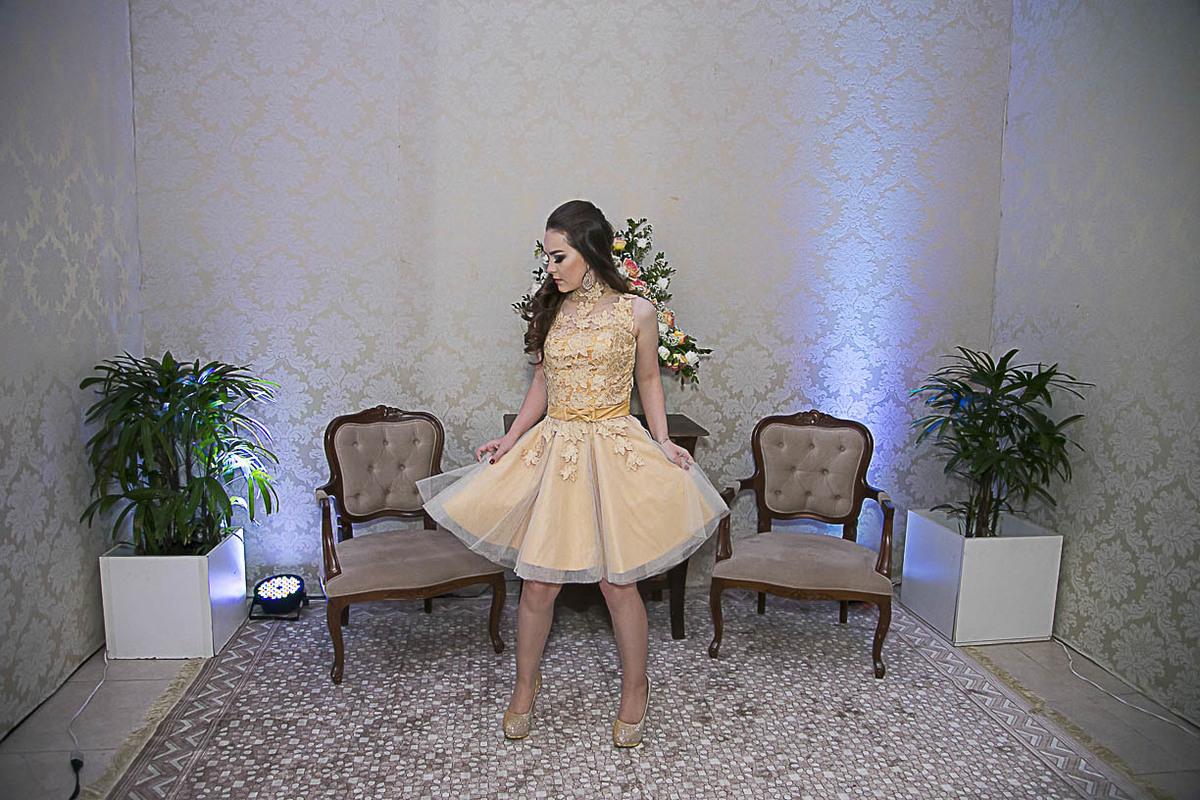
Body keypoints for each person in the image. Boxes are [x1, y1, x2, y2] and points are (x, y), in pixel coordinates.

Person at [417, 200, 728, 747]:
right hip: (556, 449)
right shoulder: (551, 309)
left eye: (558, 256)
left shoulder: (637, 311)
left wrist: (662, 441)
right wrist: (511, 439)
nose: (550, 268)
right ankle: (525, 685)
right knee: (539, 582)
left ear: (588, 251)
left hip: (613, 446)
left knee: (617, 581)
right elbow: (541, 385)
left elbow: (649, 381)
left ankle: (636, 687)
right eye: (547, 257)